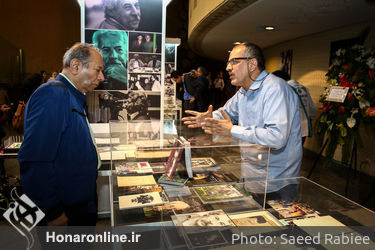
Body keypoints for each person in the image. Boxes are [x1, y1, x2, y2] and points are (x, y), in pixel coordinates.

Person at [182, 42, 302, 195]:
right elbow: (226, 112)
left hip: (276, 181)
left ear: (252, 64)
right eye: (228, 63)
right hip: (251, 175)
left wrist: (232, 130)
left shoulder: (275, 89)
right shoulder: (243, 92)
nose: (228, 68)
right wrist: (210, 117)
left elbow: (277, 137)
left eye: (234, 62)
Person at [18, 43, 104, 226]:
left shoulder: (71, 95)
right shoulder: (53, 94)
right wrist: (52, 212)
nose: (101, 77)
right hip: (64, 210)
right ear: (75, 66)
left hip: (77, 203)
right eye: (98, 70)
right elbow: (35, 159)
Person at [272, 70, 316, 145]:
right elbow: (312, 109)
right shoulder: (303, 88)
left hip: (289, 129)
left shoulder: (284, 89)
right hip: (303, 128)